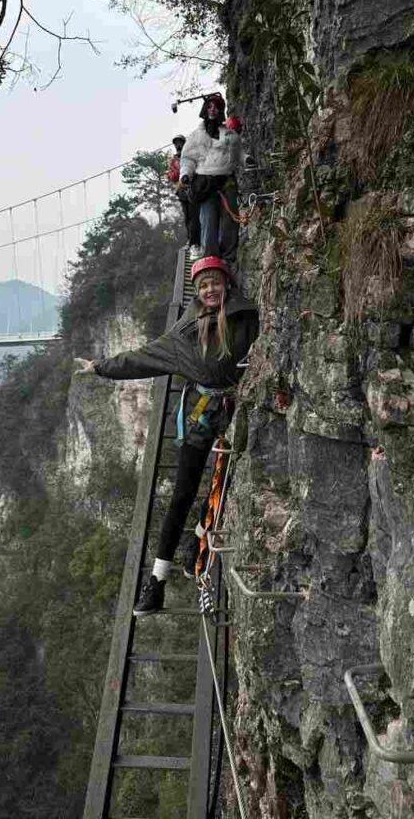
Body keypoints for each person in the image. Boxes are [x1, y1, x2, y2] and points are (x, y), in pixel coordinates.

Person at [74, 256, 259, 615]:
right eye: (203, 284)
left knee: (228, 485)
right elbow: (141, 358)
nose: (210, 289)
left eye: (215, 282)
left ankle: (199, 540)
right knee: (183, 493)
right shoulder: (184, 334)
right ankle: (156, 581)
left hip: (235, 412)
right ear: (196, 290)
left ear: (226, 283)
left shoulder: (246, 319)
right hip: (199, 416)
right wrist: (100, 368)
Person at [180, 94, 244, 263]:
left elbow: (239, 153)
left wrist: (247, 159)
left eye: (216, 106)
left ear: (221, 110)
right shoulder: (195, 136)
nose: (213, 109)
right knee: (208, 219)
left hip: (226, 179)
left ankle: (228, 257)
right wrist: (185, 175)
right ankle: (211, 257)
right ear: (204, 110)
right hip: (206, 182)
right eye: (209, 106)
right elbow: (188, 159)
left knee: (231, 219)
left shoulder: (229, 134)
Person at [165, 135, 200, 249]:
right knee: (187, 217)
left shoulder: (190, 155)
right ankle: (191, 239)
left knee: (194, 215)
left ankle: (195, 241)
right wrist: (172, 172)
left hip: (193, 189)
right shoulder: (173, 160)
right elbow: (172, 176)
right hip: (181, 191)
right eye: (176, 143)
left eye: (180, 142)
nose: (178, 145)